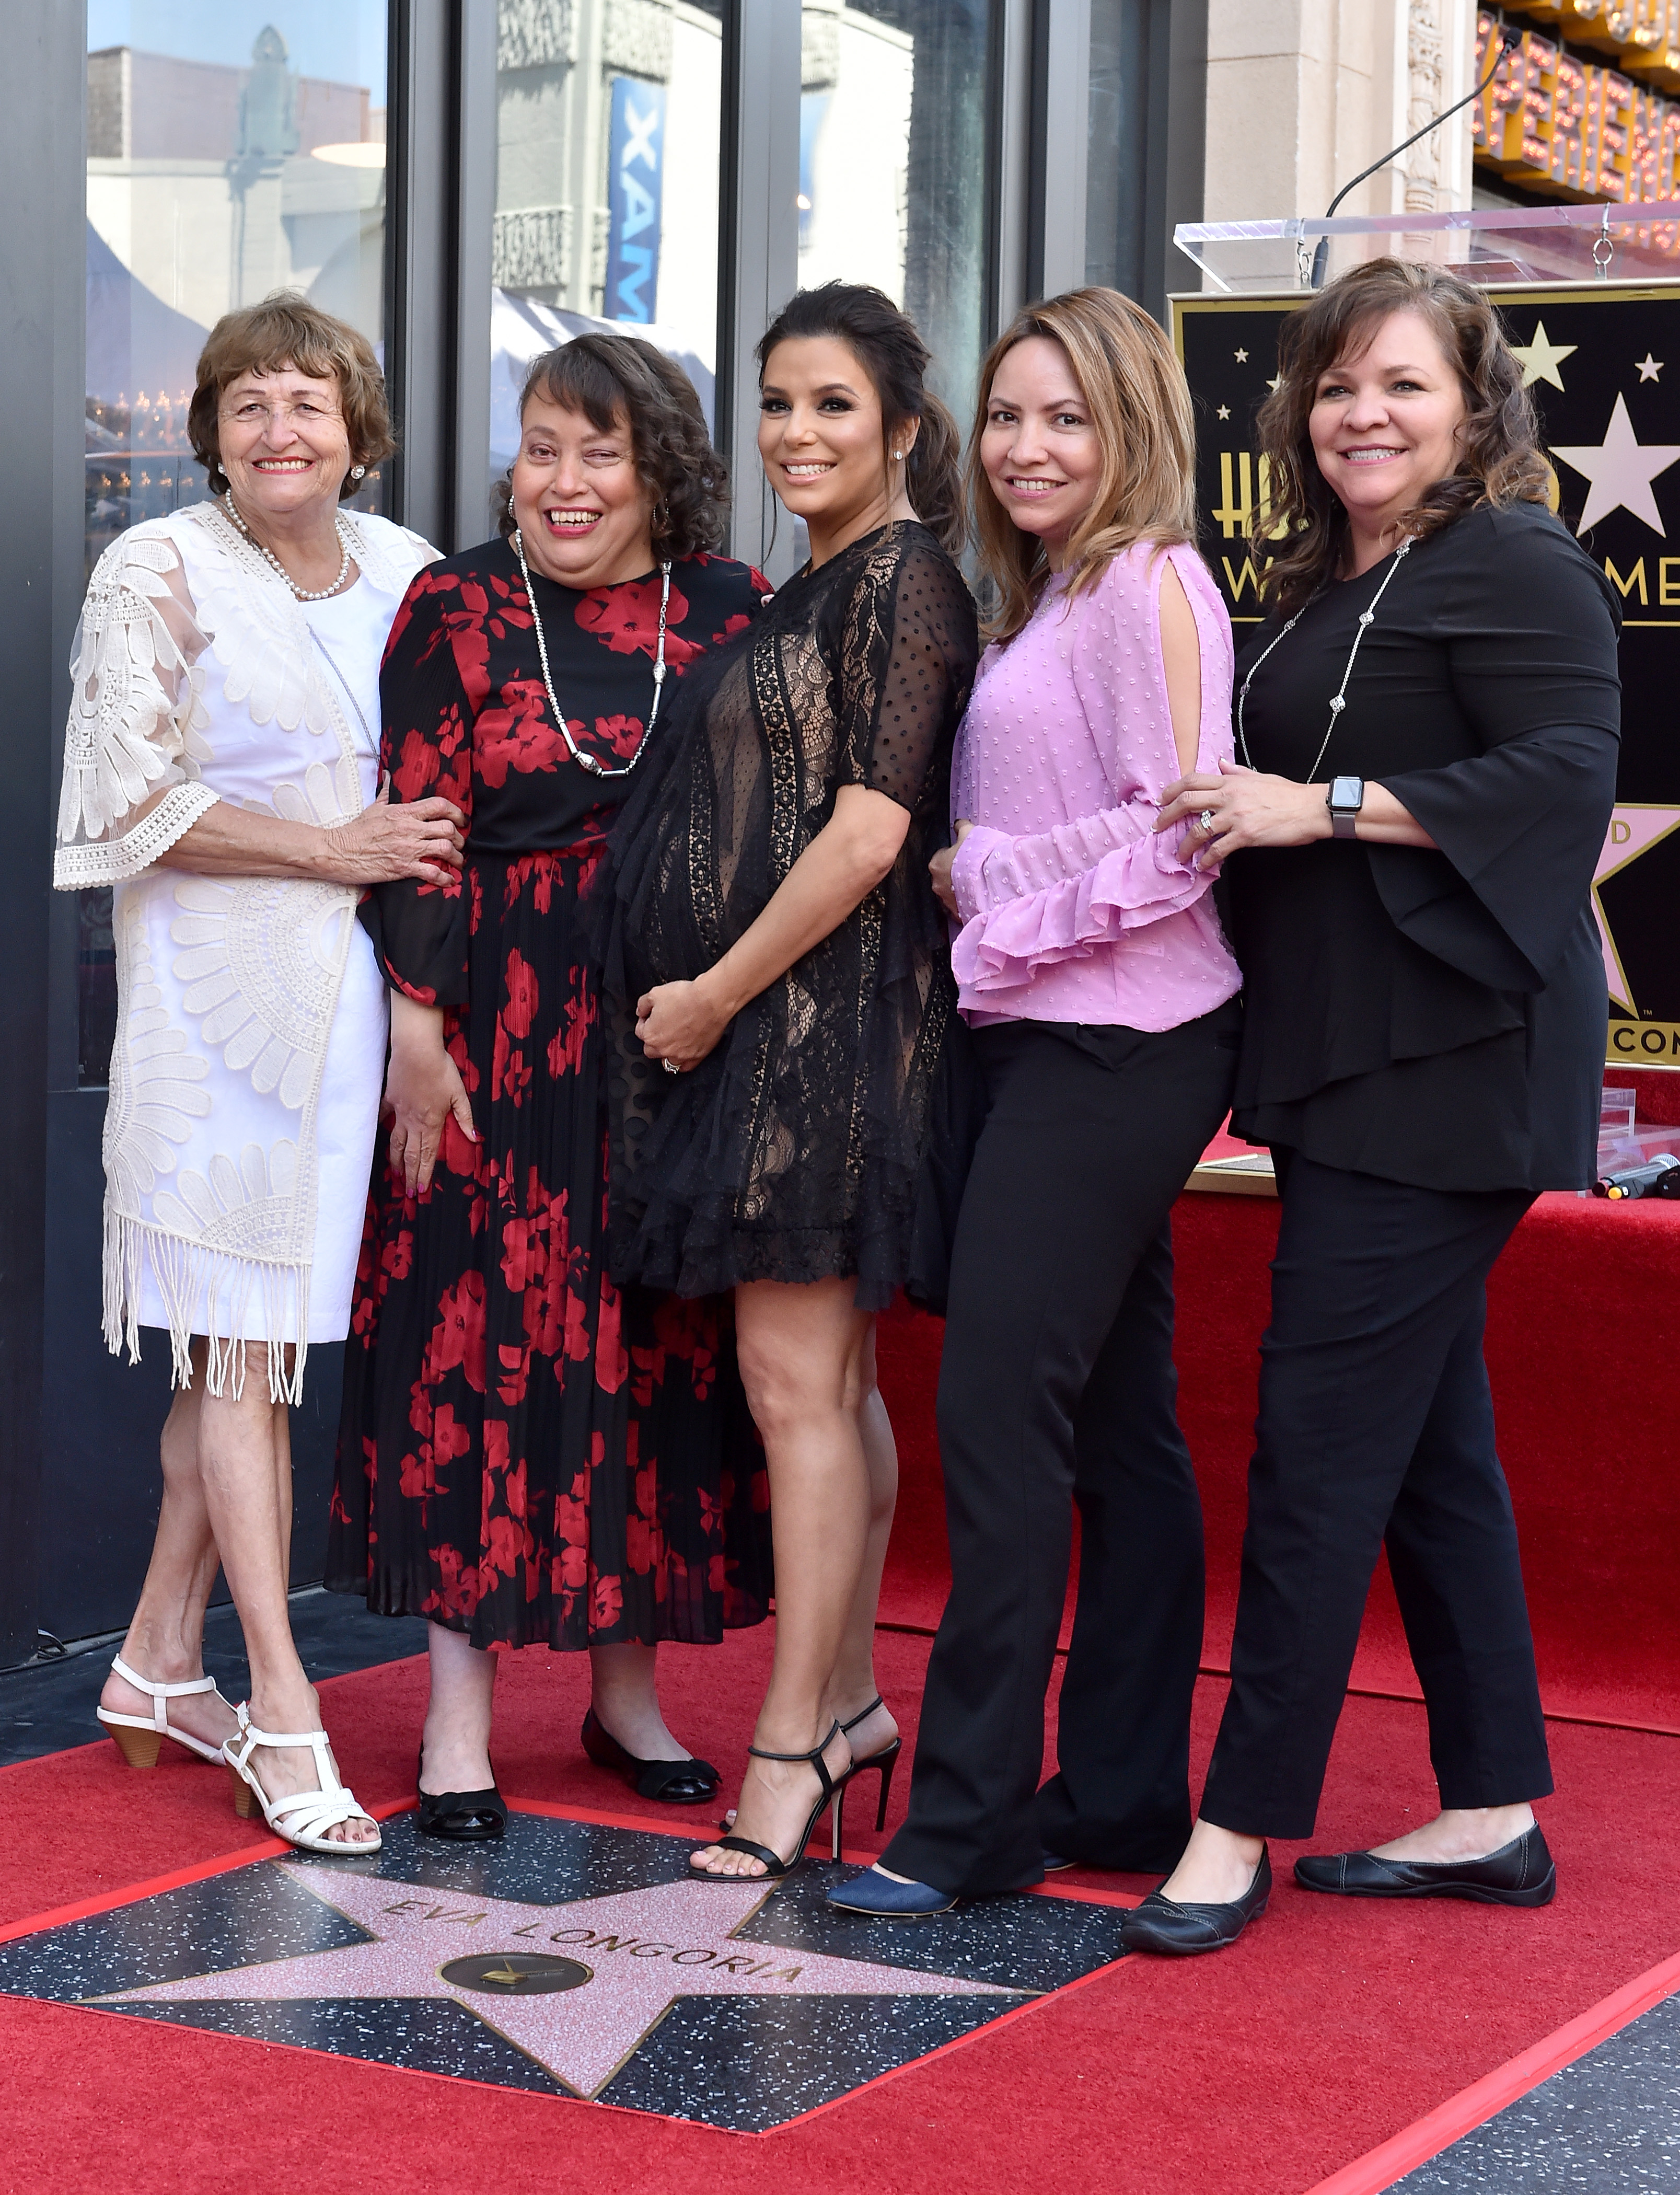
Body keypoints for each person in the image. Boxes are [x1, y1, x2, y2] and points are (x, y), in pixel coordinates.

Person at [1122, 259, 1619, 1957]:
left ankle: (1238, 1823)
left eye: (1401, 385)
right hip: (1349, 1063)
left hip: (1449, 1069)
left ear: (1472, 405)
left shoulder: (1517, 557)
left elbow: (1566, 779)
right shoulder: (1337, 570)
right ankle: (1492, 1810)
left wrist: (1320, 803)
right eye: (1337, 387)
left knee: (1323, 1454)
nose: (1363, 415)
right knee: (1426, 1452)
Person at [825, 289, 1243, 1917]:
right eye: (1009, 416)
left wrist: (983, 884)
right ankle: (1128, 1793)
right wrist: (998, 906)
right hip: (1045, 1035)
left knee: (1000, 1419)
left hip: (1120, 1041)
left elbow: (1183, 832)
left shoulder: (1149, 581)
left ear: (1131, 422)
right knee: (1119, 1435)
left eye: (1066, 416)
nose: (1029, 445)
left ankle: (972, 1822)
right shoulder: (1051, 592)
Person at [326, 336, 773, 1838]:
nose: (563, 483)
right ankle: (459, 1721)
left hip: (669, 1036)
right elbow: (419, 823)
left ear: (660, 465)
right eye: (539, 448)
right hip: (494, 1032)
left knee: (651, 1350)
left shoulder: (730, 608)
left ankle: (624, 1693)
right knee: (478, 1346)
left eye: (598, 452)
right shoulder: (452, 603)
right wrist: (415, 1027)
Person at [54, 294, 459, 1852]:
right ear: (209, 429)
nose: (278, 430)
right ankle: (282, 1707)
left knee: (250, 1349)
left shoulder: (415, 571)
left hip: (359, 1005)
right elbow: (124, 803)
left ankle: (158, 1660)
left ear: (355, 422)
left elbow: (447, 778)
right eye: (247, 405)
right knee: (242, 1361)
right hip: (214, 1009)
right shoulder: (154, 568)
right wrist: (334, 847)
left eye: (306, 400)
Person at [600, 281, 979, 1882]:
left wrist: (705, 999)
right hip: (782, 1040)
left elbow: (872, 834)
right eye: (775, 402)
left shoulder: (903, 580)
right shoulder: (813, 587)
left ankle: (790, 1749)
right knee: (831, 1393)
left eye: (831, 403)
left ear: (900, 426)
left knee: (795, 1395)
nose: (796, 432)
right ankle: (848, 1705)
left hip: (822, 1042)